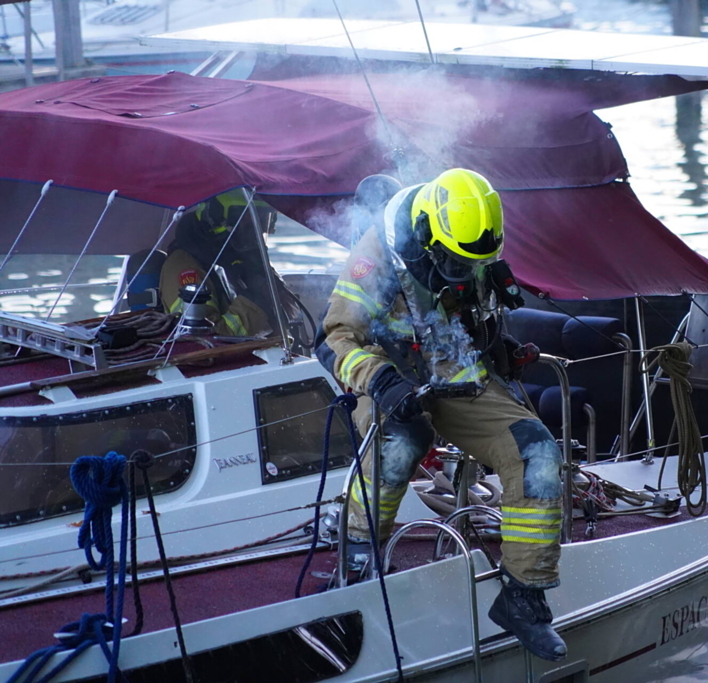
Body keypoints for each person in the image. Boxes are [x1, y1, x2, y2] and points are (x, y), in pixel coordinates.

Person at [318, 168, 567, 661]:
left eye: (470, 261)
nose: (460, 268)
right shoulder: (378, 255)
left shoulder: (471, 243)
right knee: (402, 441)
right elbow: (334, 339)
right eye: (452, 258)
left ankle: (523, 597)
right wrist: (383, 382)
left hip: (454, 371)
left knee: (537, 452)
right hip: (387, 375)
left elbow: (467, 313)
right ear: (431, 233)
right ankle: (359, 559)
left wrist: (499, 345)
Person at [160, 190, 275, 337]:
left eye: (262, 220)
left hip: (273, 354)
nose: (254, 230)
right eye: (246, 221)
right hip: (230, 358)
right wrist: (255, 301)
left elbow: (289, 311)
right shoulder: (186, 267)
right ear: (215, 219)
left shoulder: (242, 259)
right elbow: (204, 338)